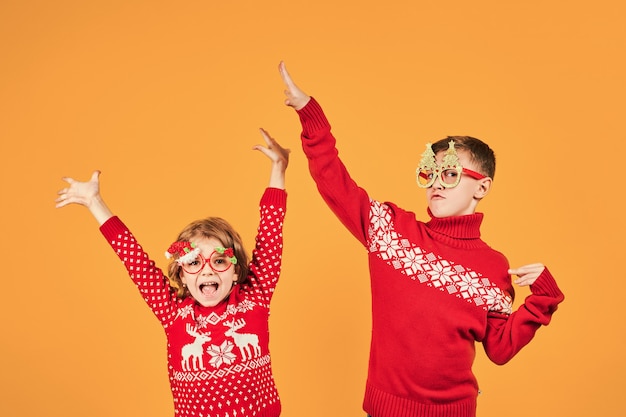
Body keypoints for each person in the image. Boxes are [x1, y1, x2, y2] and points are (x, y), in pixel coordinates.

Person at [278, 61, 564, 417]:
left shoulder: (493, 267)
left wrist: (543, 300)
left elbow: (501, 349)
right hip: (383, 410)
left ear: (482, 186)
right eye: (429, 173)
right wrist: (310, 114)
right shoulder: (391, 231)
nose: (436, 183)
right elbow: (334, 182)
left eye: (451, 173)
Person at [55, 128, 289, 417]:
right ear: (181, 274)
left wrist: (278, 169)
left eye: (218, 261)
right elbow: (134, 259)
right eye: (193, 263)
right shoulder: (172, 313)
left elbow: (270, 236)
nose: (206, 271)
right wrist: (95, 203)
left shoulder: (255, 299)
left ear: (236, 270)